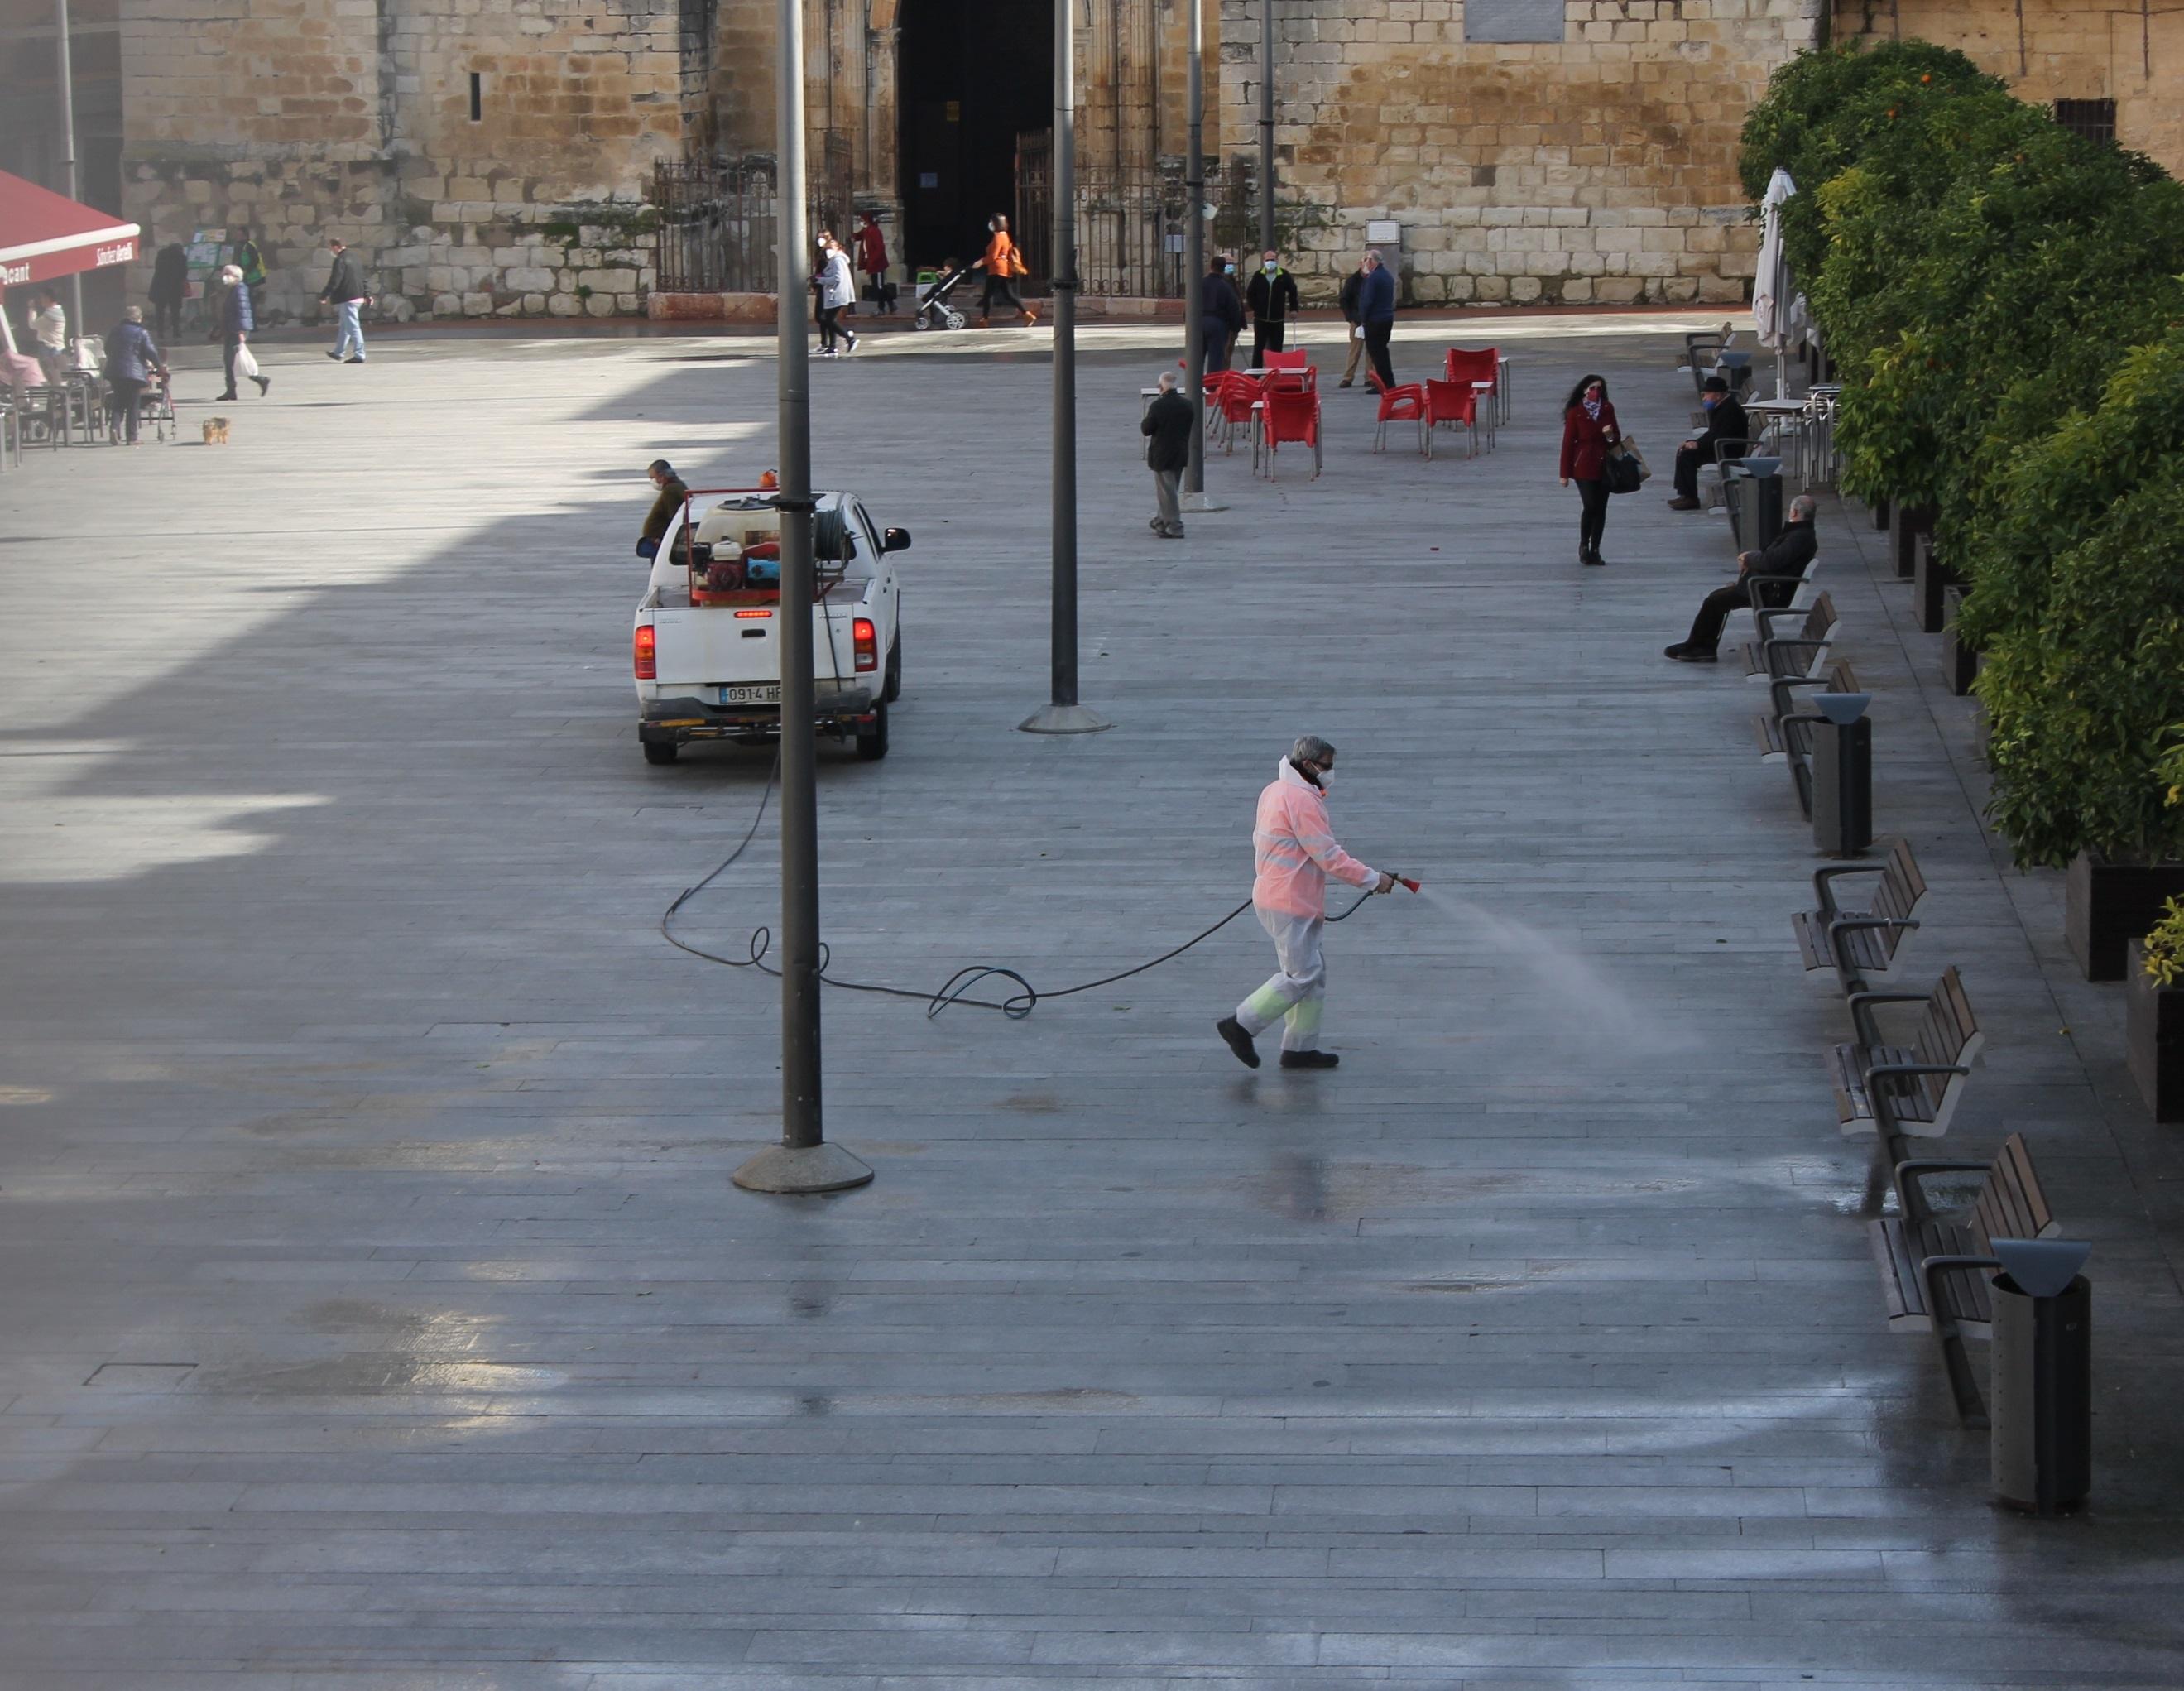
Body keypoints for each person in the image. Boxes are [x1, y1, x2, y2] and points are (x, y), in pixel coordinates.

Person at [1217, 736, 1397, 1072]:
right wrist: (1373, 879)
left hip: (1288, 895)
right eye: (1326, 766)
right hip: (1288, 900)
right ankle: (1241, 1025)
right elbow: (1328, 855)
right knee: (1303, 974)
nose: (1330, 772)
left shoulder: (1275, 790)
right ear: (1309, 764)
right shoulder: (1302, 801)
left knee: (1314, 975)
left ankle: (1300, 1048)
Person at [1664, 493, 1821, 662]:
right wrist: (1751, 558)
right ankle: (1697, 644)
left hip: (1768, 592)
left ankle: (1702, 647)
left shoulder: (1799, 537)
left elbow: (1771, 560)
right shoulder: (1800, 534)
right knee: (1717, 597)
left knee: (1715, 602)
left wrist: (1748, 558)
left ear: (1795, 513)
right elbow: (1772, 557)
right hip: (1765, 587)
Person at [1558, 373, 1620, 566]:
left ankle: (1596, 548)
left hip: (1604, 462)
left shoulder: (1608, 408)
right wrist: (1564, 473)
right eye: (1592, 388)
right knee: (1590, 505)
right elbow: (1568, 443)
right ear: (1585, 390)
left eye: (1599, 388)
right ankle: (1584, 545)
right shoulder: (1575, 412)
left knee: (1601, 508)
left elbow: (1616, 439)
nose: (1596, 392)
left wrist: (1609, 435)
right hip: (1583, 463)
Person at [1666, 375, 1747, 510]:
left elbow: (1719, 435)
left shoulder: (1730, 410)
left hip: (1728, 450)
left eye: (1706, 395)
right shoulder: (1721, 407)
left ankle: (1691, 498)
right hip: (1720, 445)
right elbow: (1713, 434)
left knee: (1687, 456)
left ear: (1717, 395)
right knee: (1684, 451)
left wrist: (1698, 445)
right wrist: (1693, 442)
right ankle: (1685, 494)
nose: (1704, 398)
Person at [102, 306, 167, 446]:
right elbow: (151, 351)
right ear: (139, 318)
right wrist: (159, 367)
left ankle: (114, 428)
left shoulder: (115, 330)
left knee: (118, 402)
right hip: (133, 373)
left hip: (115, 371)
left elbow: (107, 348)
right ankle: (132, 437)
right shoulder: (141, 332)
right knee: (133, 404)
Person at [1140, 369, 1193, 540]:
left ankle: (1175, 525)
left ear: (1160, 387)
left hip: (1161, 454)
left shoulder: (1157, 406)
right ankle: (1161, 521)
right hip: (1180, 452)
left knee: (1167, 491)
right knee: (1170, 489)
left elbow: (1146, 429)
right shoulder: (1187, 405)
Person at [214, 262, 271, 401]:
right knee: (231, 361)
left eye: (227, 274)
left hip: (236, 330)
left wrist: (241, 331)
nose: (224, 277)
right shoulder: (234, 289)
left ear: (236, 276)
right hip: (231, 329)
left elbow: (243, 311)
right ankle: (232, 390)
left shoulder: (239, 289)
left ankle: (259, 379)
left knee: (232, 360)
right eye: (224, 274)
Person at [972, 214, 1035, 327]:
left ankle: (984, 320)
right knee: (1009, 295)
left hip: (996, 269)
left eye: (992, 222)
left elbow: (993, 256)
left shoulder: (998, 237)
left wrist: (980, 262)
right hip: (1004, 269)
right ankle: (1027, 314)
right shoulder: (1005, 236)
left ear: (995, 224)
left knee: (988, 295)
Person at [319, 238, 372, 365]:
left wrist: (325, 294)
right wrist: (367, 294)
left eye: (331, 248)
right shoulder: (355, 258)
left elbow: (335, 279)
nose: (331, 251)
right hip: (357, 296)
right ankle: (338, 352)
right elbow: (362, 278)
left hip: (348, 297)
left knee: (353, 327)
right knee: (345, 326)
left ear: (336, 247)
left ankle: (360, 354)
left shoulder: (340, 260)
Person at [1246, 250, 1299, 367]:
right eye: (1267, 260)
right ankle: (1256, 373)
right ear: (1263, 261)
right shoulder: (1258, 275)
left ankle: (1276, 371)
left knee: (1277, 348)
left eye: (1272, 259)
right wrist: (1256, 307)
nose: (1270, 262)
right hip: (1261, 319)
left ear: (1277, 260)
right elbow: (1250, 293)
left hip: (1277, 319)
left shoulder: (1283, 275)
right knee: (1259, 347)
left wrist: (1293, 308)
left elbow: (1293, 292)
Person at [1198, 255, 1245, 377]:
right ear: (1223, 269)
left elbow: (1190, 305)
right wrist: (1235, 327)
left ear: (1211, 266)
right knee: (1216, 360)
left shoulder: (1200, 284)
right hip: (1218, 325)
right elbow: (1234, 309)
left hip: (1198, 323)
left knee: (1197, 358)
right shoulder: (1226, 287)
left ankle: (1195, 385)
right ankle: (1212, 387)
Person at [1358, 248, 1397, 391]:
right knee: (1383, 352)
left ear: (1371, 261)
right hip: (1387, 318)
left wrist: (1363, 319)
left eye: (1367, 259)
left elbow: (1367, 300)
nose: (1365, 262)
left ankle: (1383, 385)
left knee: (1377, 354)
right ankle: (1389, 382)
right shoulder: (1387, 275)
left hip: (1375, 320)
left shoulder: (1373, 278)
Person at [812, 236, 857, 356]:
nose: (828, 250)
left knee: (829, 320)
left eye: (831, 247)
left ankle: (849, 338)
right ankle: (833, 346)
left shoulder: (837, 260)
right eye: (827, 248)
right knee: (829, 319)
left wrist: (820, 280)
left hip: (836, 294)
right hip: (833, 294)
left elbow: (837, 278)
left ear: (837, 248)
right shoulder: (834, 260)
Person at [636, 459, 689, 560]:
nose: (652, 481)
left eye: (653, 478)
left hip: (659, 541)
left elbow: (674, 518)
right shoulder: (676, 486)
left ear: (662, 476)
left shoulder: (671, 490)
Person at [1336, 254, 1369, 387]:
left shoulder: (1374, 279)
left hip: (1371, 319)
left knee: (1371, 351)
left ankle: (1369, 377)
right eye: (1365, 261)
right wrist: (1350, 317)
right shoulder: (1353, 280)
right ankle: (1348, 377)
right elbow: (1344, 299)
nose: (1367, 264)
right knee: (1354, 350)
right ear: (1360, 263)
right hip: (1357, 320)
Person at [148, 243, 189, 341]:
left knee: (160, 311)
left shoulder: (161, 255)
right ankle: (176, 332)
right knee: (175, 311)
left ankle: (160, 332)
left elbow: (157, 268)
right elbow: (184, 272)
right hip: (175, 287)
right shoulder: (181, 257)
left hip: (160, 286)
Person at [852, 211, 891, 314]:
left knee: (879, 287)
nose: (861, 222)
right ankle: (891, 304)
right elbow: (859, 236)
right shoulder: (867, 230)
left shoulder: (874, 231)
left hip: (877, 264)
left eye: (862, 220)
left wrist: (873, 260)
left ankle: (881, 308)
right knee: (877, 286)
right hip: (872, 264)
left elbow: (880, 248)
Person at [28, 291, 68, 382]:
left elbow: (33, 325)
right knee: (56, 375)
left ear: (48, 298)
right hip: (56, 348)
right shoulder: (58, 311)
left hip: (49, 348)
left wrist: (32, 308)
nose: (41, 300)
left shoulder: (50, 315)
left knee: (50, 375)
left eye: (42, 298)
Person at [232, 228, 267, 314]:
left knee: (251, 303)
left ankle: (252, 325)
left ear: (245, 236)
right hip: (249, 278)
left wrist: (246, 270)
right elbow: (244, 260)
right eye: (237, 235)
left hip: (254, 278)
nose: (237, 237)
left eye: (240, 235)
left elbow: (255, 260)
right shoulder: (243, 246)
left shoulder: (249, 246)